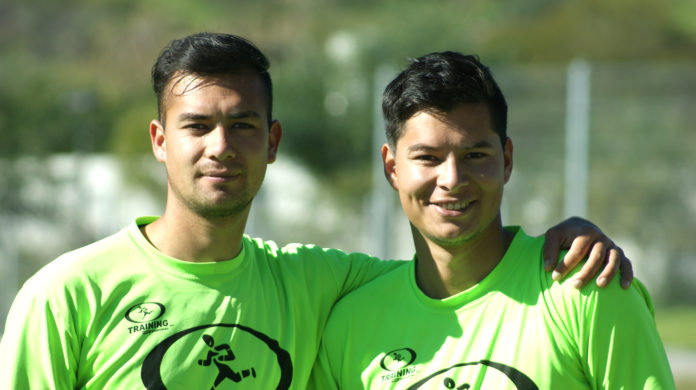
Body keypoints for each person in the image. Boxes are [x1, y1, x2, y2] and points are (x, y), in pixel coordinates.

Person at [0, 33, 632, 389]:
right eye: (197, 126)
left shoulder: (319, 286)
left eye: (244, 125)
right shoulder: (64, 296)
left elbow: (453, 269)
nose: (221, 146)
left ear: (271, 143)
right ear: (160, 141)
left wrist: (569, 237)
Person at [309, 52, 675, 389]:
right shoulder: (350, 326)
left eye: (474, 154)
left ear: (507, 160)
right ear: (392, 168)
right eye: (428, 157)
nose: (452, 179)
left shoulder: (585, 289)